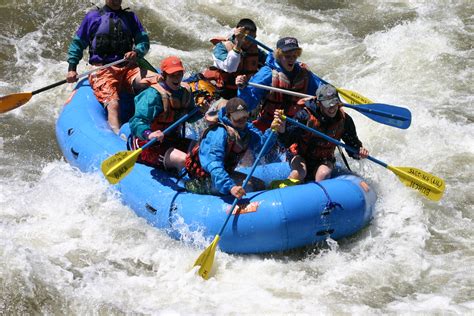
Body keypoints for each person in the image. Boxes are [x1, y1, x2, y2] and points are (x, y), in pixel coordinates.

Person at [66, 0, 152, 134]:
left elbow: (143, 41)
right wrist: (72, 69)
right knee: (113, 104)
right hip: (102, 70)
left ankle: (151, 125)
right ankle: (117, 138)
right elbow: (77, 44)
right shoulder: (93, 17)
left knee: (152, 83)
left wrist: (137, 52)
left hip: (128, 67)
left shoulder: (130, 18)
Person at [184, 98, 284, 199]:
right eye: (237, 117)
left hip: (225, 174)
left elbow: (261, 149)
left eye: (244, 116)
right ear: (228, 116)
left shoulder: (247, 129)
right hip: (205, 179)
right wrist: (231, 187)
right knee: (249, 187)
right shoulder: (218, 132)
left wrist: (273, 131)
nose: (242, 120)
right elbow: (214, 165)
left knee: (259, 185)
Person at [275, 84, 369, 185]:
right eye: (328, 104)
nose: (332, 107)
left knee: (322, 175)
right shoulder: (304, 116)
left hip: (324, 159)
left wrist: (359, 152)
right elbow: (286, 142)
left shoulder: (344, 120)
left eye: (334, 103)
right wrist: (281, 130)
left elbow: (352, 146)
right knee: (300, 173)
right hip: (300, 155)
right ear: (319, 104)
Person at [129, 56, 206, 173]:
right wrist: (149, 134)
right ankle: (198, 181)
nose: (177, 78)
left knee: (204, 150)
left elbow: (190, 118)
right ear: (164, 75)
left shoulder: (185, 92)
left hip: (173, 139)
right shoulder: (152, 95)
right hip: (149, 144)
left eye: (179, 74)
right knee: (183, 160)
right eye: (172, 75)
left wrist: (201, 111)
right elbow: (137, 121)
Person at [236, 36, 323, 132]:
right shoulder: (267, 73)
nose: (292, 59)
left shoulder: (303, 73)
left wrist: (331, 97)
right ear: (279, 55)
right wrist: (242, 88)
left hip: (293, 125)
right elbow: (248, 103)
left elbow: (321, 89)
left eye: (294, 56)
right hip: (269, 125)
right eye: (287, 56)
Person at [201, 18, 267, 100]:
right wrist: (238, 44)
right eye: (247, 38)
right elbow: (230, 68)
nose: (250, 42)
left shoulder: (254, 49)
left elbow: (270, 62)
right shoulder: (221, 48)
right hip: (224, 92)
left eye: (253, 38)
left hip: (245, 90)